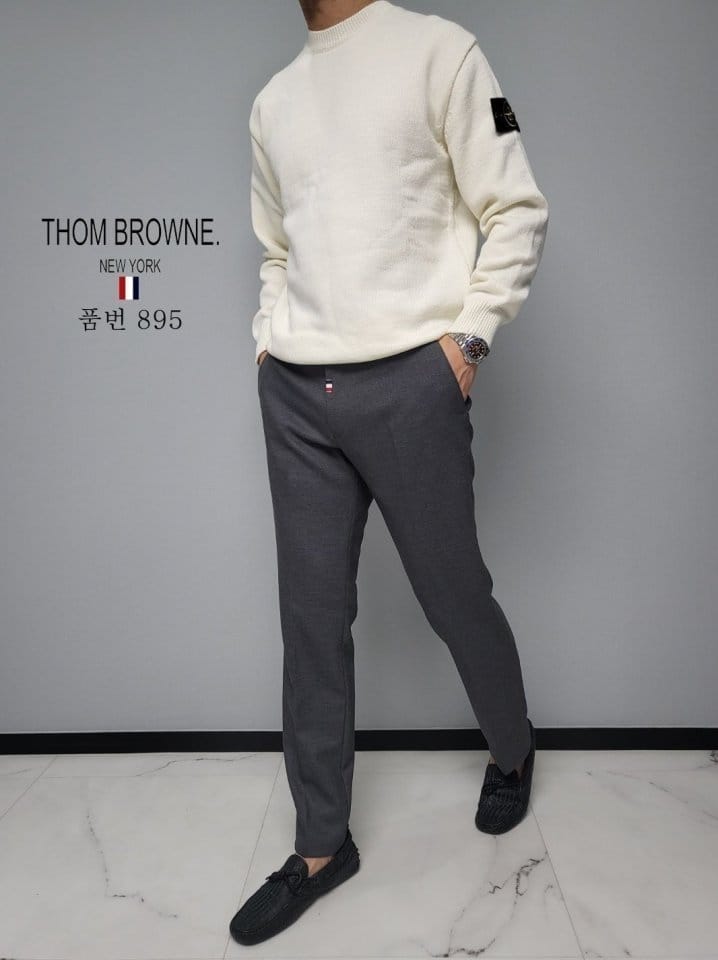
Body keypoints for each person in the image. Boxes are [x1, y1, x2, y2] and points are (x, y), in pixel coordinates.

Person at [230, 0, 548, 945]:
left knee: (454, 594)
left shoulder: (443, 52)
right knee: (311, 622)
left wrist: (469, 341)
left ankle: (513, 748)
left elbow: (517, 205)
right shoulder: (274, 101)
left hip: (413, 379)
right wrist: (266, 342)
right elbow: (276, 249)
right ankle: (320, 846)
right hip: (298, 392)